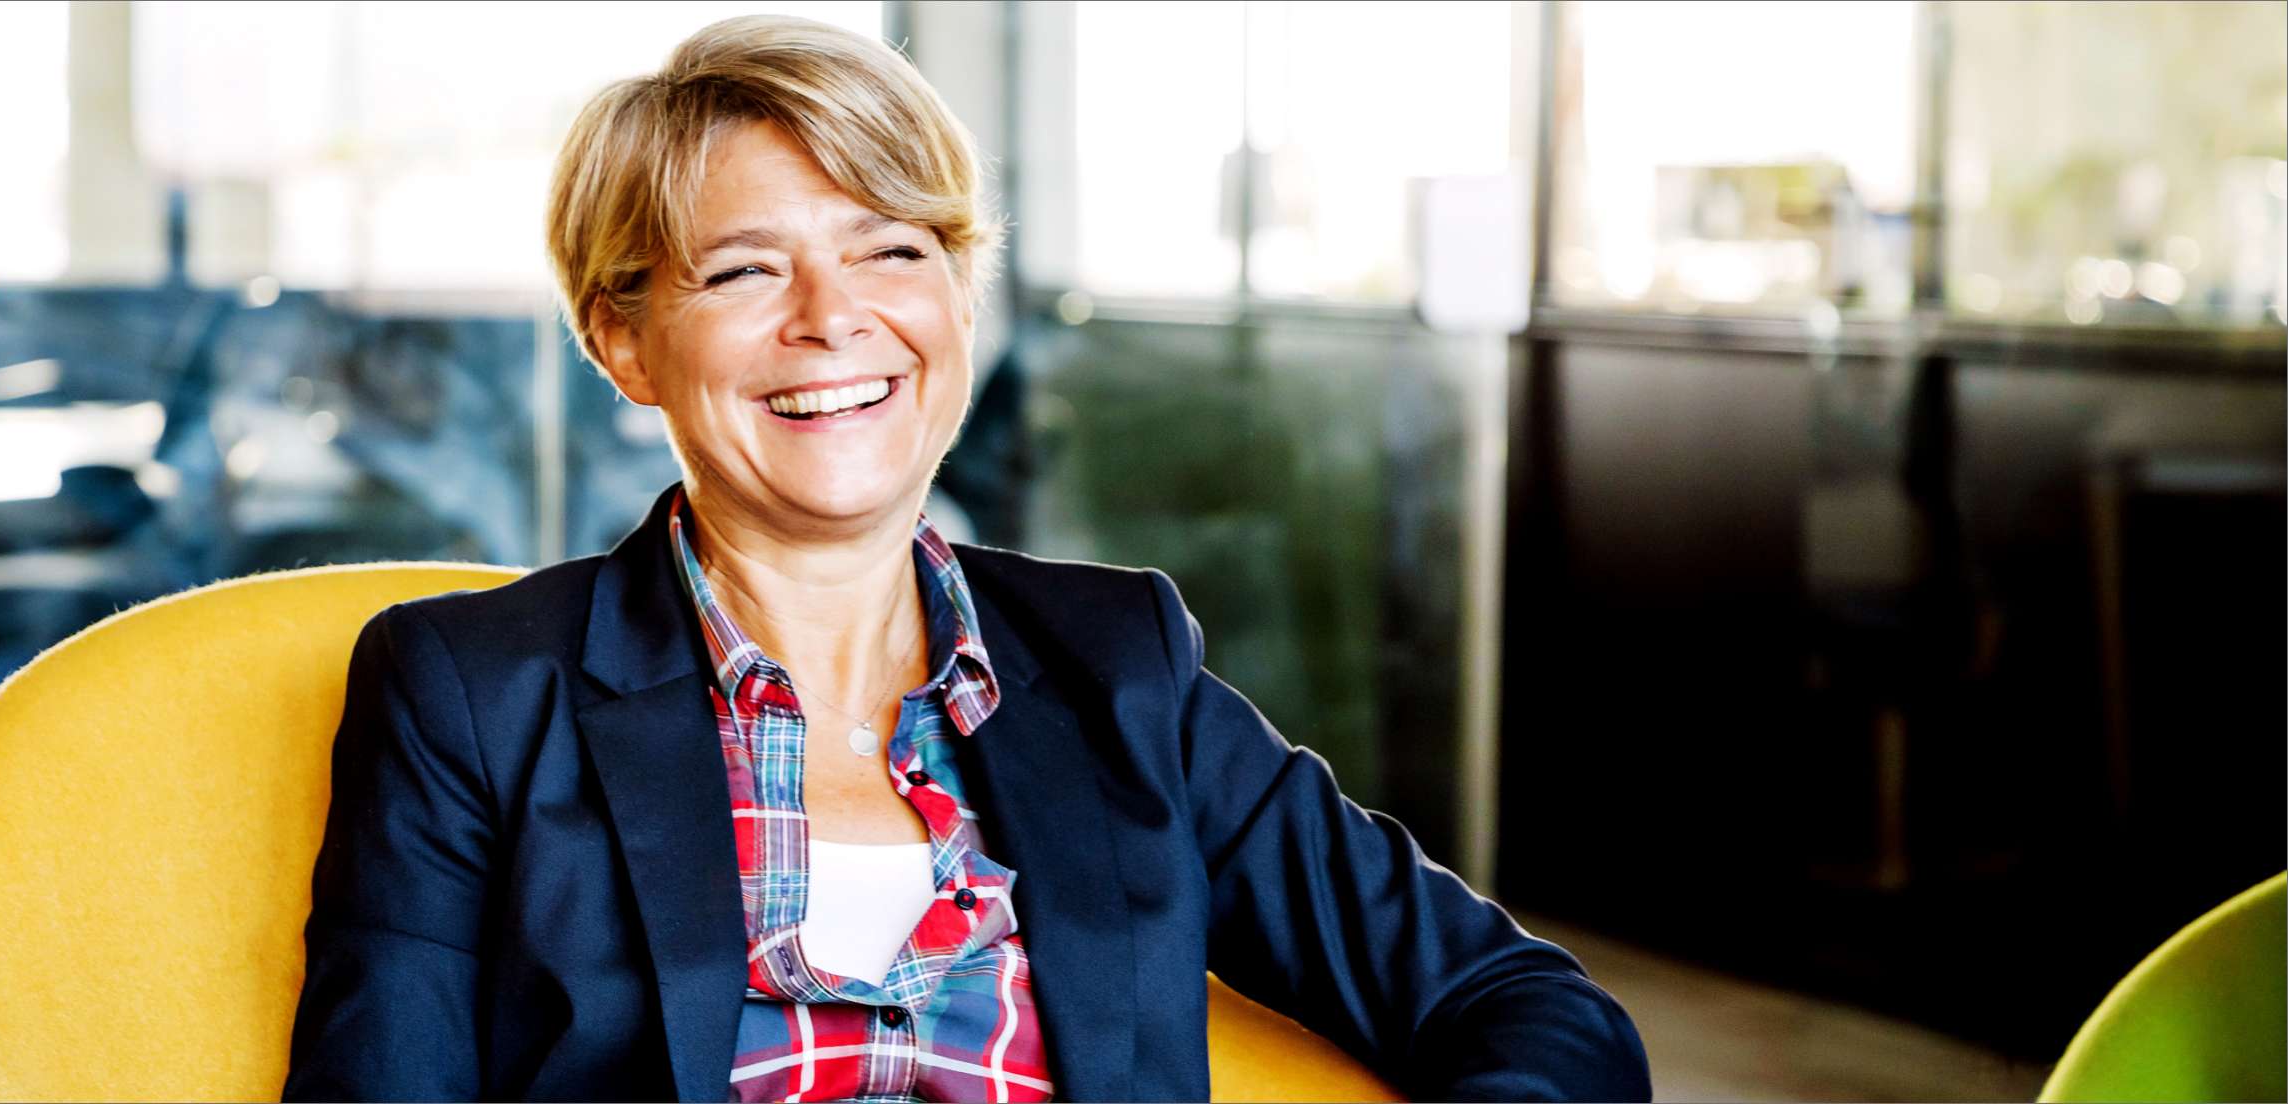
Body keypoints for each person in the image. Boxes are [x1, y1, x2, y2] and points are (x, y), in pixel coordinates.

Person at [283, 15, 1650, 1102]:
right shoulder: (468, 691)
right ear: (621, 339)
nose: (834, 318)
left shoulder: (1117, 667)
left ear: (955, 296)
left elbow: (1524, 1010)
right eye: (744, 271)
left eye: (889, 248)